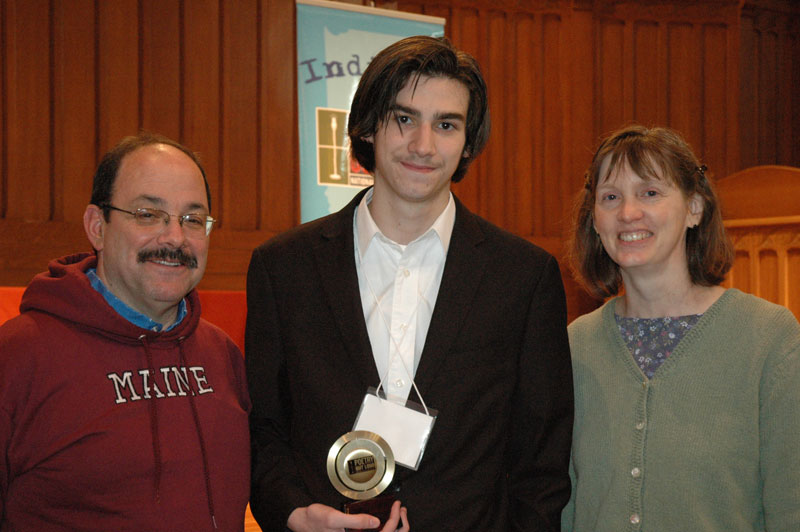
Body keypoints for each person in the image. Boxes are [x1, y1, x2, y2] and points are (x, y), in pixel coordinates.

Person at [246, 35, 573, 532]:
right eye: (404, 119)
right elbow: (264, 430)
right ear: (368, 127)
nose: (423, 145)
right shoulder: (284, 268)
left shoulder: (523, 277)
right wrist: (292, 513)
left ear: (468, 140)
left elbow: (540, 461)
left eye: (446, 124)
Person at [0, 133, 251, 531]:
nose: (174, 238)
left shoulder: (221, 355)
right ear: (97, 227)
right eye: (148, 214)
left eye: (193, 219)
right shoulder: (18, 356)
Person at [562, 125, 800, 531]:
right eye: (610, 197)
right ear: (595, 222)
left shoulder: (769, 337)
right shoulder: (573, 345)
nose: (628, 213)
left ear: (695, 208)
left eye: (650, 193)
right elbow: (562, 502)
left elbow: (790, 505)